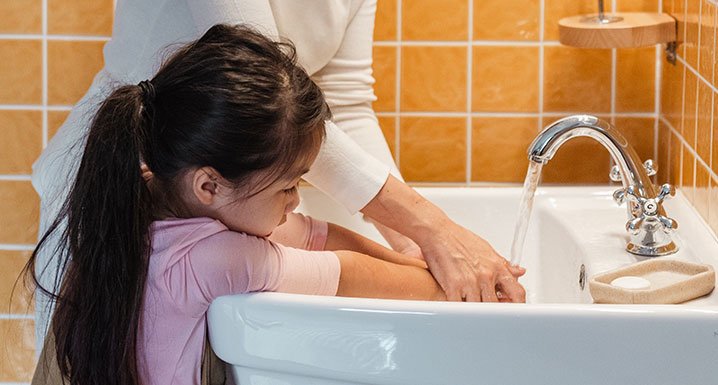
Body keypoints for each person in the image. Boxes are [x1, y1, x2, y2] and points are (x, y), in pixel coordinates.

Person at [31, 1, 525, 342]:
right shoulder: (224, 246)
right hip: (129, 176)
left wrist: (413, 246)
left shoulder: (240, 226)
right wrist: (433, 233)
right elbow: (267, 96)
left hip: (237, 180)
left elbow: (339, 103)